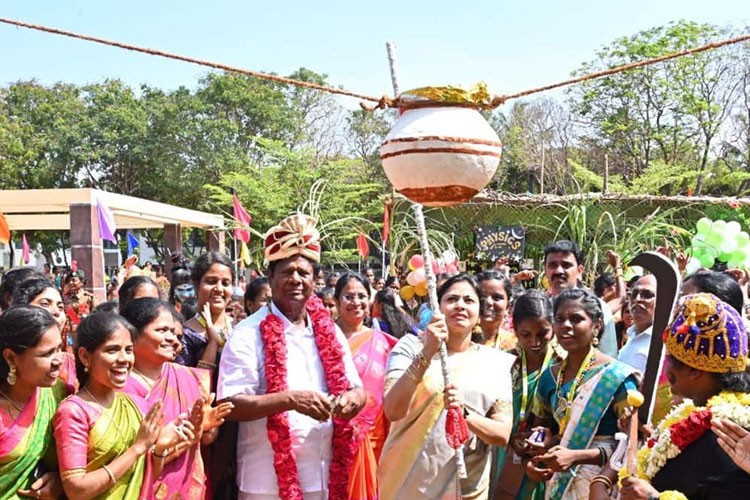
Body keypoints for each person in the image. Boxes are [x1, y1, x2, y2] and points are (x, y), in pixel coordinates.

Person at [218, 213, 366, 499]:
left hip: (324, 476)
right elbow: (229, 404)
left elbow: (356, 388)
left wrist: (354, 399)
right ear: (271, 277)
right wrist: (291, 400)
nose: (296, 280)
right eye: (287, 272)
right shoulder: (247, 333)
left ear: (314, 280)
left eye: (304, 272)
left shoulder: (330, 330)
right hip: (266, 482)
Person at [379, 274, 515, 499]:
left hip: (466, 486)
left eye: (469, 301)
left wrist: (464, 415)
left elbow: (501, 435)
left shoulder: (495, 363)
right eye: (452, 299)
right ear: (437, 308)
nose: (460, 305)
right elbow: (392, 410)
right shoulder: (409, 348)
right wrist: (427, 352)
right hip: (407, 481)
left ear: (479, 313)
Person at [616, 293, 750, 499]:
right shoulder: (695, 416)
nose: (665, 368)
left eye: (670, 358)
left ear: (695, 371)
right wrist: (652, 439)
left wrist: (653, 498)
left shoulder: (729, 436)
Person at [54, 312, 195, 499]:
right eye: (112, 350)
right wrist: (138, 448)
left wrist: (160, 448)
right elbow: (76, 489)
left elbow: (147, 476)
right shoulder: (74, 411)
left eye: (128, 350)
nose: (124, 359)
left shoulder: (136, 404)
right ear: (85, 357)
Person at [525, 288, 638, 499]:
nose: (566, 326)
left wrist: (577, 456)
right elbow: (541, 433)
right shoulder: (549, 377)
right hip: (558, 482)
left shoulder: (617, 377)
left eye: (576, 319)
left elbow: (631, 446)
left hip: (599, 485)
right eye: (559, 319)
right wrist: (534, 459)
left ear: (596, 326)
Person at [120, 298, 234, 498]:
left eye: (176, 334)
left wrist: (207, 428)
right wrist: (159, 447)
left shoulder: (191, 379)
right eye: (163, 331)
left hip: (189, 488)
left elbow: (207, 439)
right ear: (133, 334)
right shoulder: (116, 387)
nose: (173, 339)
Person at [334, 272, 398, 499]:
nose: (356, 302)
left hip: (376, 440)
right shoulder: (322, 341)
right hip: (332, 439)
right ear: (336, 301)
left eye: (362, 296)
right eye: (348, 296)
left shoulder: (386, 344)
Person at [493, 290, 559, 500]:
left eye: (543, 334)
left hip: (545, 457)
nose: (534, 342)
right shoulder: (505, 363)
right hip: (503, 452)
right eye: (525, 334)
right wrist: (510, 438)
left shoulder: (561, 367)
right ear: (515, 329)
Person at [0, 306, 66, 499]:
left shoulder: (58, 393)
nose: (58, 360)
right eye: (47, 354)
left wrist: (60, 480)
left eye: (59, 349)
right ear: (11, 357)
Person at [542, 240, 618, 357]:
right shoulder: (542, 308)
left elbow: (609, 356)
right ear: (545, 271)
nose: (558, 271)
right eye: (552, 265)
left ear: (579, 271)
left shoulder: (599, 308)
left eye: (566, 265)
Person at [11, 277, 78, 391]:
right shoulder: (12, 358)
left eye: (60, 307)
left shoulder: (75, 363)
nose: (56, 312)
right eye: (45, 304)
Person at [177, 252, 234, 372]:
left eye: (225, 283)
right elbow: (187, 382)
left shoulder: (240, 327)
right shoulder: (184, 335)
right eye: (211, 281)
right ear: (197, 285)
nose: (219, 289)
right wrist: (212, 344)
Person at [617, 274, 657, 374]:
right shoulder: (632, 334)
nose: (637, 299)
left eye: (647, 295)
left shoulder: (663, 342)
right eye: (634, 294)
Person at [477, 270, 516, 350]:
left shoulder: (515, 346)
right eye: (481, 297)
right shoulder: (457, 341)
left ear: (508, 307)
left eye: (496, 298)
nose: (488, 302)